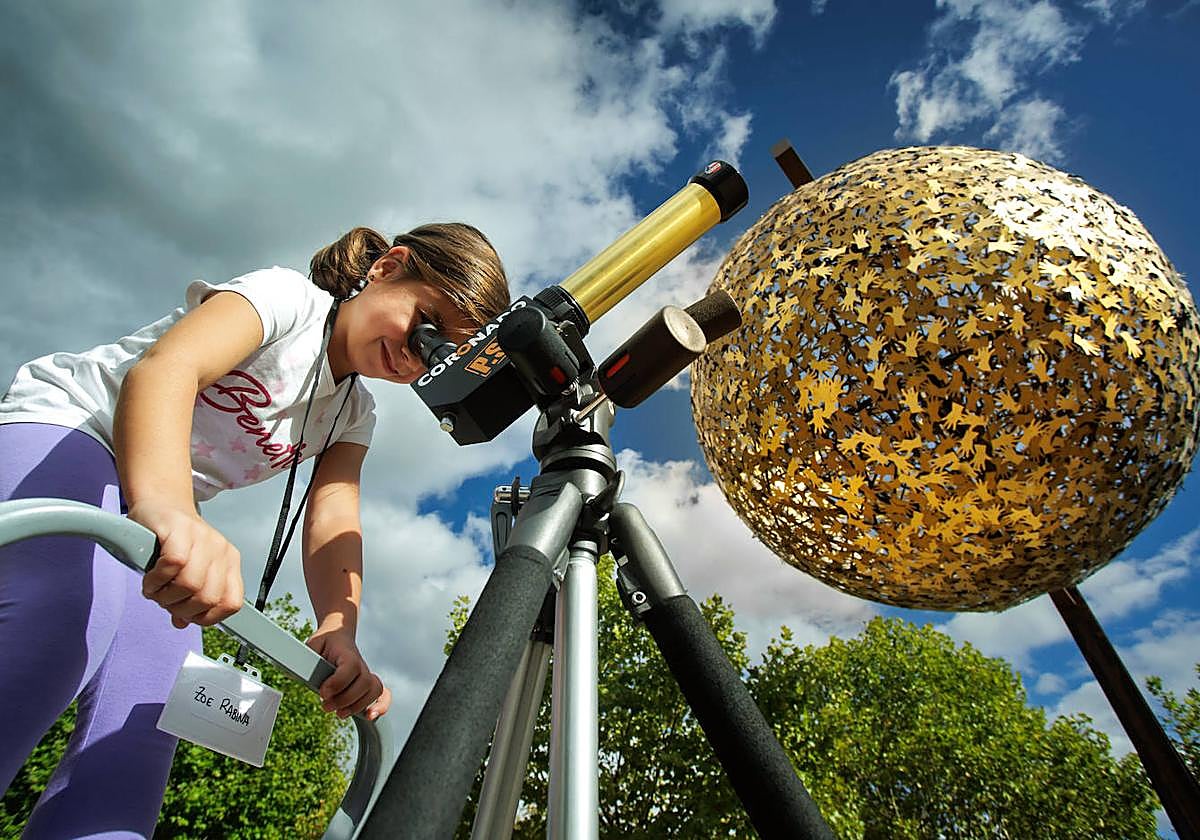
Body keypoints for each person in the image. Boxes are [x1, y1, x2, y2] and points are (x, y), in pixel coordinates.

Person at [0, 223, 511, 836]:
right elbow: (167, 370)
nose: (414, 354)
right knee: (60, 621)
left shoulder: (352, 413)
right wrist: (172, 510)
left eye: (438, 355)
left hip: (152, 506)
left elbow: (334, 514)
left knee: (149, 705)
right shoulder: (288, 299)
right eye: (425, 324)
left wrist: (338, 626)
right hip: (72, 429)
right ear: (386, 268)